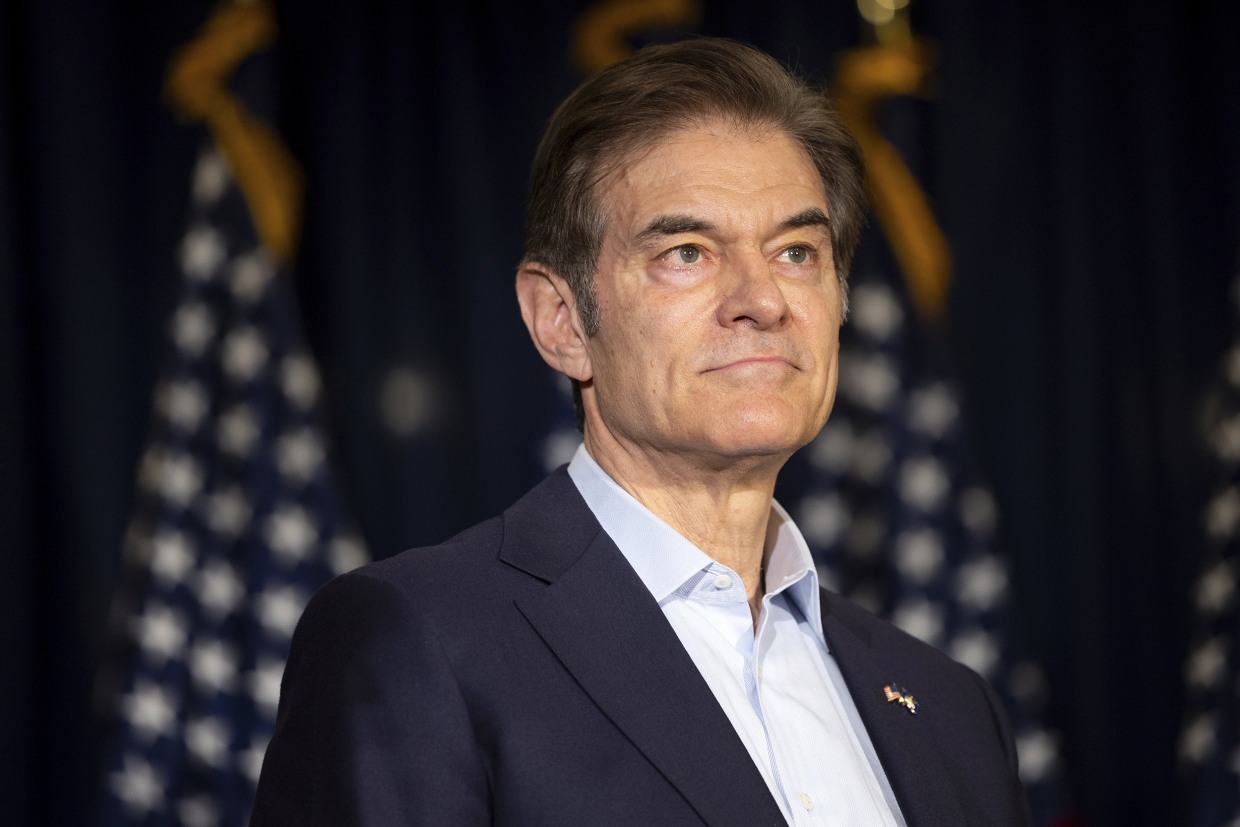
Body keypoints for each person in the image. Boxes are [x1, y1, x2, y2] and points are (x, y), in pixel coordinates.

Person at [250, 37, 1032, 826]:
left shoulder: (951, 708)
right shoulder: (418, 644)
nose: (762, 299)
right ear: (562, 322)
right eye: (687, 253)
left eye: (797, 251)